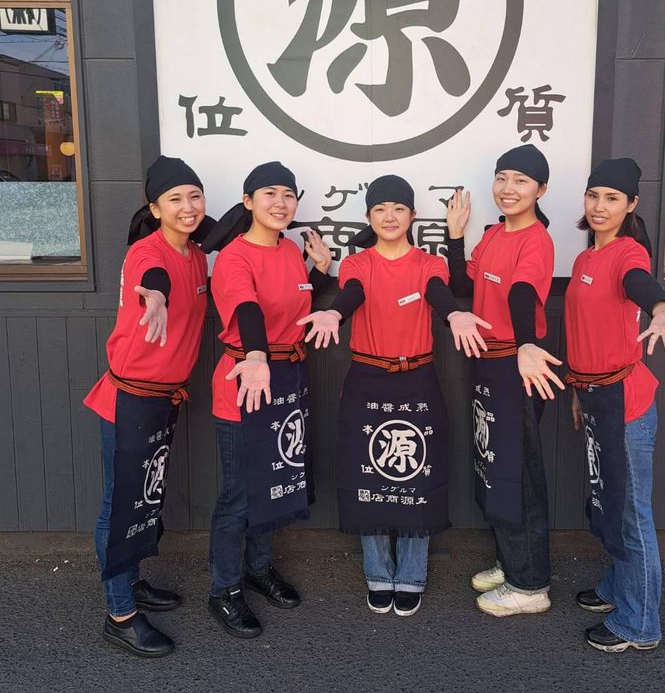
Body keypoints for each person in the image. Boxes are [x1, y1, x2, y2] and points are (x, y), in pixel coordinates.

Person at [299, 174, 488, 616]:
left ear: (412, 215)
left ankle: (412, 574)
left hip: (417, 377)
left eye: (399, 209)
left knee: (416, 474)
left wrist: (454, 316)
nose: (389, 217)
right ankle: (377, 572)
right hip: (368, 377)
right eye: (380, 209)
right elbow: (352, 294)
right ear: (369, 217)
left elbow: (438, 293)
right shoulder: (357, 264)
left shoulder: (428, 263)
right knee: (368, 475)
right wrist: (333, 314)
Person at [564, 157, 665, 652]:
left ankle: (639, 624)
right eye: (593, 195)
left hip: (625, 402)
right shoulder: (585, 259)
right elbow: (586, 333)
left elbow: (639, 283)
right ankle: (617, 588)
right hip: (594, 397)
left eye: (612, 198)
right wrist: (578, 392)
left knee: (630, 513)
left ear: (631, 205)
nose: (599, 206)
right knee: (609, 498)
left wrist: (660, 307)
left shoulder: (628, 252)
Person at [84, 155, 214, 658]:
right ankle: (120, 615)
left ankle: (131, 582)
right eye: (175, 199)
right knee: (120, 505)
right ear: (155, 208)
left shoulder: (197, 255)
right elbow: (153, 277)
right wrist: (154, 299)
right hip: (130, 399)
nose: (188, 206)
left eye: (194, 196)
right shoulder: (147, 252)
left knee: (143, 499)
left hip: (163, 400)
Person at [200, 161, 332, 639]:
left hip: (286, 380)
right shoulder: (235, 256)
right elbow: (248, 309)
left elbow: (295, 309)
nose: (280, 203)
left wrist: (320, 273)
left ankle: (258, 569)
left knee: (275, 481)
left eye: (288, 195)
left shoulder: (291, 251)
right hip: (246, 381)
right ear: (248, 201)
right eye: (269, 193)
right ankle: (223, 589)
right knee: (240, 495)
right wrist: (257, 354)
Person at [445, 144, 564, 617]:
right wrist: (456, 237)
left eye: (521, 180)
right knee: (495, 467)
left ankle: (530, 586)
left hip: (519, 365)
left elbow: (521, 292)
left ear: (541, 190)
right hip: (489, 363)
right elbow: (463, 286)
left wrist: (524, 345)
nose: (508, 188)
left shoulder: (536, 240)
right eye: (502, 178)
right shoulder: (493, 234)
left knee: (519, 476)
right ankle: (512, 562)